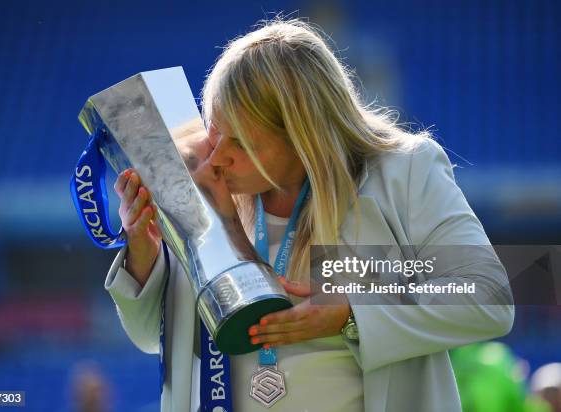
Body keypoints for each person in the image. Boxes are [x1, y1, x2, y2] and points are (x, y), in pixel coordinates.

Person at [104, 19, 514, 412]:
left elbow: (487, 296)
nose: (216, 156)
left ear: (305, 138)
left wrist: (352, 314)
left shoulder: (404, 172)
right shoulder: (206, 193)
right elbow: (152, 338)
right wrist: (145, 249)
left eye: (242, 143)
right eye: (215, 130)